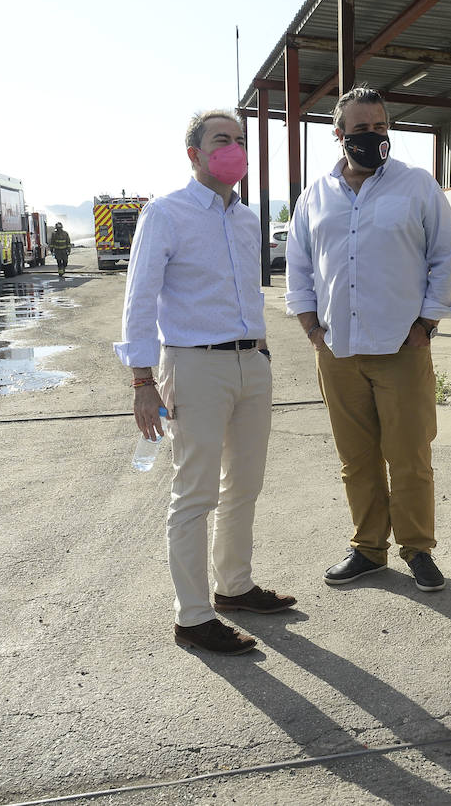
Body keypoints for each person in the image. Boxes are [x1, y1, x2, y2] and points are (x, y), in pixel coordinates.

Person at [114, 109, 295, 656]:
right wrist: (142, 380)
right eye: (222, 140)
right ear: (193, 153)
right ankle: (192, 617)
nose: (234, 149)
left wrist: (261, 355)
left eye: (240, 140)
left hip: (251, 363)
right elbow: (139, 299)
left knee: (244, 483)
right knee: (194, 492)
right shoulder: (165, 214)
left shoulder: (246, 218)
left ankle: (234, 587)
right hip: (194, 366)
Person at [285, 86, 451, 593]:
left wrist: (426, 325)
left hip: (402, 350)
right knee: (356, 457)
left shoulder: (418, 187)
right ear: (339, 135)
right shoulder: (315, 196)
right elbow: (299, 267)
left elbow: (444, 258)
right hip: (337, 351)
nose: (373, 137)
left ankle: (417, 548)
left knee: (409, 455)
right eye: (361, 130)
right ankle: (368, 548)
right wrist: (312, 329)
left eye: (381, 128)